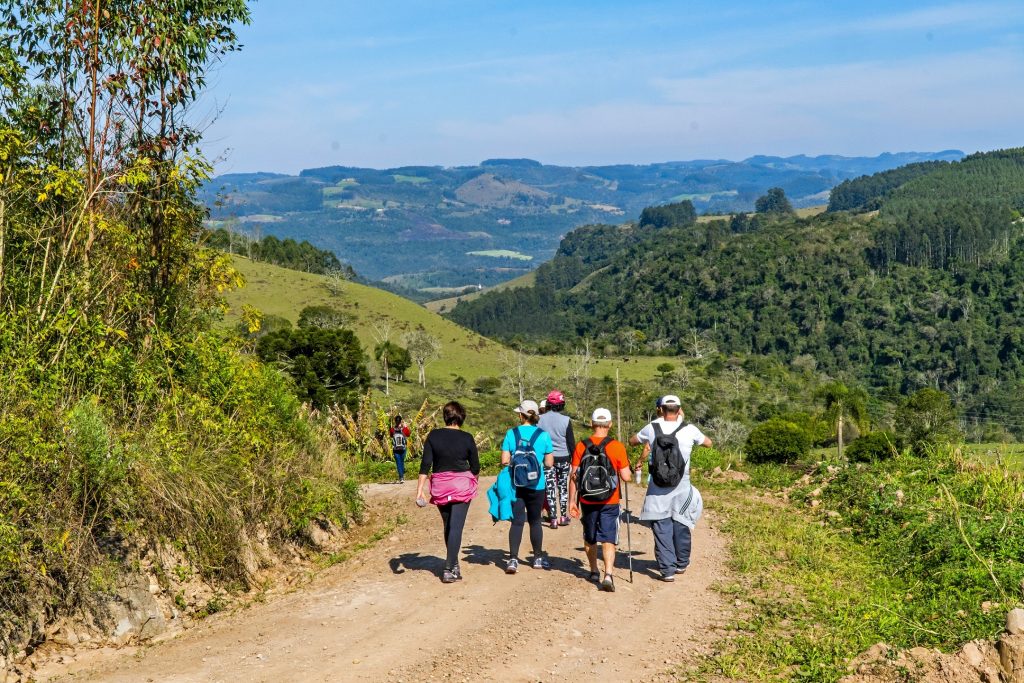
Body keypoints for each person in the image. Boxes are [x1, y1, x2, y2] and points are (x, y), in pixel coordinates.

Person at [630, 395, 711, 582]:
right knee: (681, 520)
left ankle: (667, 570)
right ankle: (682, 562)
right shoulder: (689, 429)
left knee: (661, 523)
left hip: (657, 483)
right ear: (679, 409)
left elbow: (632, 440)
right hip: (682, 482)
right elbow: (708, 443)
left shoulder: (652, 427)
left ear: (661, 409)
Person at [568, 408, 632, 592]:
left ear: (591, 423)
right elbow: (626, 477)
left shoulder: (581, 445)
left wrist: (572, 500)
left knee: (590, 536)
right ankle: (609, 574)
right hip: (609, 500)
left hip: (587, 500)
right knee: (608, 537)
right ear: (610, 424)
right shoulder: (617, 446)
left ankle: (594, 570)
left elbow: (574, 475)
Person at [415, 402, 480, 583]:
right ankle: (448, 568)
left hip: (440, 486)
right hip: (461, 486)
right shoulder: (467, 437)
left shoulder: (434, 435)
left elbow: (425, 465)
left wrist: (420, 490)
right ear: (461, 417)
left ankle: (454, 564)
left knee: (448, 526)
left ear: (445, 416)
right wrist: (473, 482)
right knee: (456, 527)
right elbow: (475, 466)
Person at [501, 400, 554, 574]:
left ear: (520, 415)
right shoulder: (544, 435)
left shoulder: (511, 433)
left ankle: (513, 560)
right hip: (536, 484)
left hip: (516, 484)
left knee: (516, 522)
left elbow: (504, 461)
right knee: (535, 521)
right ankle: (537, 558)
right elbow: (549, 463)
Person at [538, 389, 575, 529]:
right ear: (561, 404)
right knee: (563, 488)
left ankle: (553, 519)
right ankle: (563, 517)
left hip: (547, 458)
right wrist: (575, 461)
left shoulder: (540, 420)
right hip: (564, 457)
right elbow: (571, 443)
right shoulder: (566, 420)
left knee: (550, 488)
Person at [390, 415, 411, 483]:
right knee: (402, 462)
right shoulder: (404, 429)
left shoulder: (392, 429)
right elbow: (408, 434)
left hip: (395, 449)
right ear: (401, 421)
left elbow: (391, 435)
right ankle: (402, 475)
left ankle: (401, 477)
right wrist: (405, 426)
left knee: (398, 463)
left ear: (395, 421)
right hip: (403, 448)